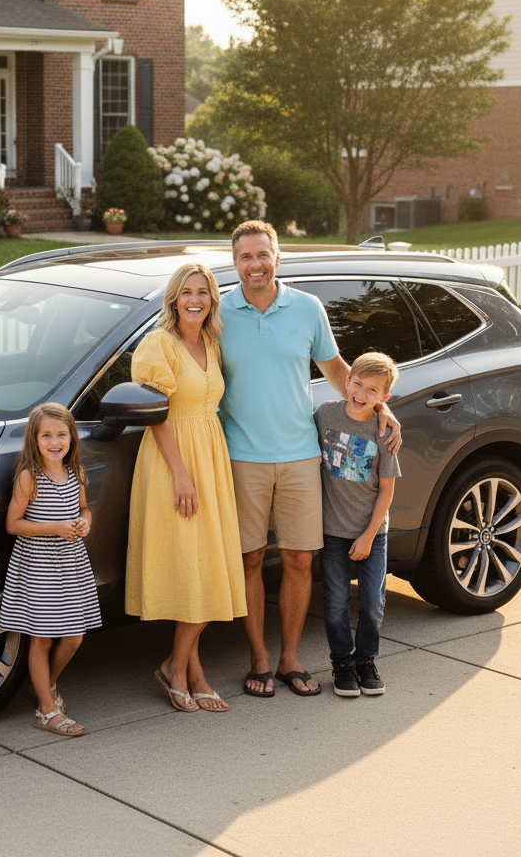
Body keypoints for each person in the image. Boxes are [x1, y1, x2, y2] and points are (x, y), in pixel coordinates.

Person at [218, 221, 401, 698]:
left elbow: (339, 371)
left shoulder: (306, 308)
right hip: (242, 456)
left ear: (277, 257)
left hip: (302, 454)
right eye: (245, 257)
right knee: (250, 559)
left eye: (263, 254)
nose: (254, 264)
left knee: (300, 559)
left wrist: (380, 408)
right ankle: (258, 657)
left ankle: (290, 659)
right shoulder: (220, 312)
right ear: (234, 262)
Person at [127, 262, 247, 713]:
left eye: (203, 291)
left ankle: (186, 669)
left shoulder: (211, 343)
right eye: (187, 292)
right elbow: (157, 414)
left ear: (212, 299)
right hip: (171, 459)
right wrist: (180, 473)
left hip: (209, 453)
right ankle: (180, 669)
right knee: (189, 564)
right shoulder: (160, 343)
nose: (195, 299)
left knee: (205, 564)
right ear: (174, 299)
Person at [0, 402, 100, 737]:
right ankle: (46, 709)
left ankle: (47, 685)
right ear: (35, 439)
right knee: (41, 638)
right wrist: (54, 527)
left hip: (70, 565)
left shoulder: (76, 473)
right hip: (38, 565)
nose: (55, 441)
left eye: (61, 434)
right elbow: (13, 525)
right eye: (46, 435)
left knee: (73, 636)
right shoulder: (30, 478)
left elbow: (84, 510)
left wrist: (84, 523)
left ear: (71, 436)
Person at [315, 352, 401, 697]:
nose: (361, 394)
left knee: (372, 601)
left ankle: (366, 659)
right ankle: (342, 663)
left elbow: (386, 492)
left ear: (385, 399)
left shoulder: (385, 434)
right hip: (332, 531)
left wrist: (368, 536)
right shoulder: (324, 414)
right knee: (335, 601)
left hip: (372, 534)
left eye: (373, 391)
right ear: (347, 381)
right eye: (357, 383)